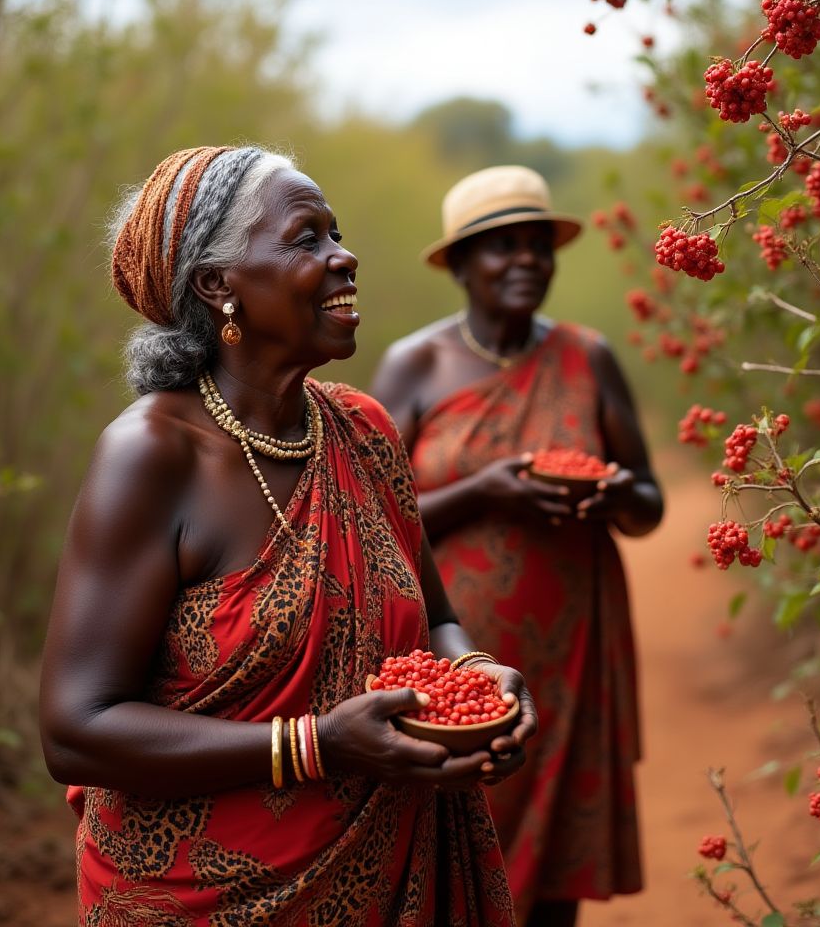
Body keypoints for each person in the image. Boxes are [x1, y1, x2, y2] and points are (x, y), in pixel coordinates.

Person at [38, 145, 539, 927]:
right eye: (307, 238)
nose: (345, 258)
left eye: (335, 234)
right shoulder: (152, 456)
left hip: (386, 876)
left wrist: (479, 678)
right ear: (217, 285)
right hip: (198, 897)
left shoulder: (363, 432)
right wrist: (317, 746)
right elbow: (77, 727)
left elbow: (437, 618)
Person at [370, 165, 664, 927]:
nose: (526, 260)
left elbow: (648, 504)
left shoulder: (587, 355)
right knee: (456, 844)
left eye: (538, 245)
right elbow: (368, 521)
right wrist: (484, 490)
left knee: (556, 847)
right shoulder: (417, 364)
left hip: (570, 652)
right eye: (502, 247)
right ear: (461, 264)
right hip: (454, 655)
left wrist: (611, 492)